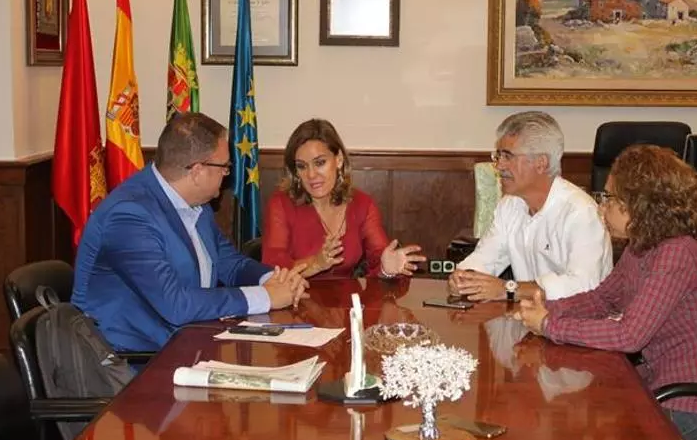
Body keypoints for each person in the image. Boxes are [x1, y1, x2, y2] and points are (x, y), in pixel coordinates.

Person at [518, 144, 697, 440]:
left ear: (640, 206)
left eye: (611, 198)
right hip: (663, 393)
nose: (602, 207)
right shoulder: (642, 247)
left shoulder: (676, 254)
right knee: (579, 418)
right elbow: (602, 300)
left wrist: (549, 325)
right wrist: (544, 310)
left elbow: (629, 336)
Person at [72, 112, 308, 352]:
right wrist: (265, 297)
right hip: (132, 360)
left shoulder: (196, 203)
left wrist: (273, 279)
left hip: (187, 343)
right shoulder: (129, 216)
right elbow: (176, 305)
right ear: (197, 171)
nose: (227, 174)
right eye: (225, 167)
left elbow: (230, 263)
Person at [450, 111, 612, 301]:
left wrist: (509, 289)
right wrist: (464, 277)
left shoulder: (580, 212)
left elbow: (583, 285)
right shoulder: (510, 205)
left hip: (583, 317)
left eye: (507, 156)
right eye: (498, 156)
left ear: (541, 163)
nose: (499, 166)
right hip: (531, 315)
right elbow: (485, 258)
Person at [262, 118, 425, 279]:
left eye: (320, 163)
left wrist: (386, 268)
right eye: (302, 166)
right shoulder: (281, 204)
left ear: (338, 159)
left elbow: (378, 256)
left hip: (347, 296)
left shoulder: (362, 204)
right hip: (295, 294)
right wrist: (316, 264)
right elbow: (272, 268)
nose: (311, 175)